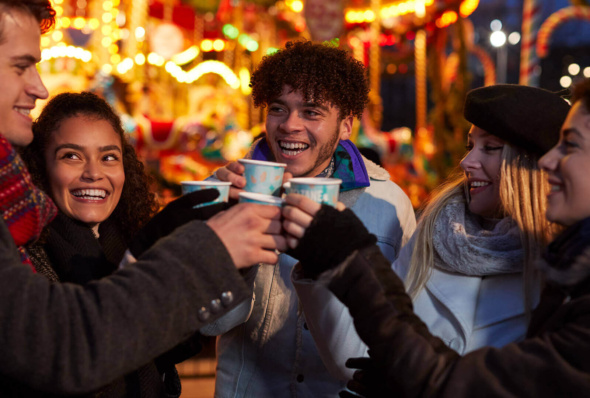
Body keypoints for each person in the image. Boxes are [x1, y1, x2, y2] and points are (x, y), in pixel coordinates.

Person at [0, 1, 286, 396]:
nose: (38, 85)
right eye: (20, 66)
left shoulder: (115, 234)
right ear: (40, 166)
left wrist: (194, 218)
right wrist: (205, 252)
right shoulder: (29, 244)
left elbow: (163, 342)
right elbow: (66, 345)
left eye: (109, 157)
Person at [282, 79, 590, 397]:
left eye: (491, 148)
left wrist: (353, 261)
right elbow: (355, 354)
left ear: (526, 166)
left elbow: (474, 384)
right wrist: (317, 262)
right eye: (471, 146)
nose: (466, 162)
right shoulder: (434, 232)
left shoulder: (561, 270)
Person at [209, 40, 416, 397]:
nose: (290, 125)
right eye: (278, 108)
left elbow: (403, 325)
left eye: (311, 112)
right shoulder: (226, 188)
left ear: (346, 125)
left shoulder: (387, 202)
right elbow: (212, 322)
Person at [20, 91, 200, 397]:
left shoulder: (137, 243)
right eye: (71, 156)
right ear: (40, 167)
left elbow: (172, 345)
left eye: (108, 157)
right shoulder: (24, 258)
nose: (93, 173)